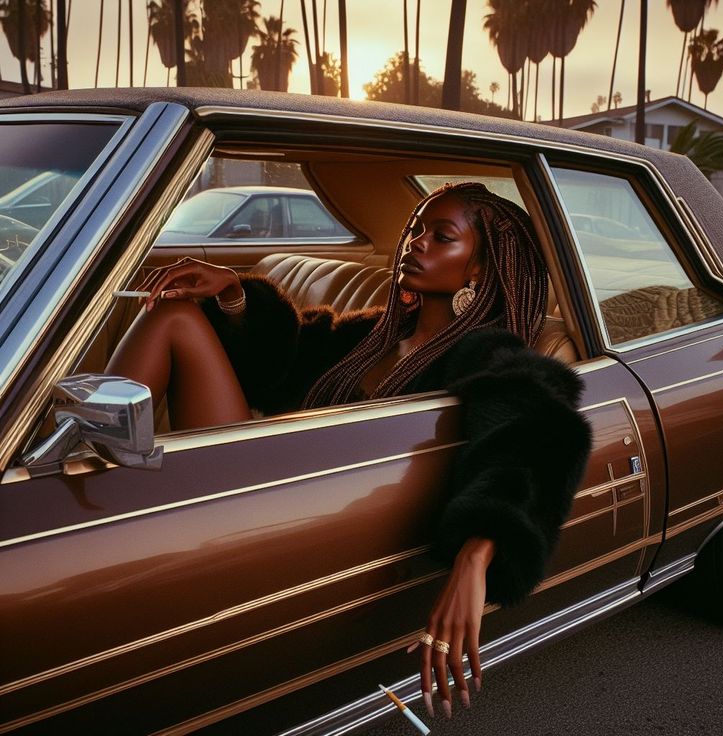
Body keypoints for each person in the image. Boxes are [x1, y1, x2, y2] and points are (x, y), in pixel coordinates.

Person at [106, 182, 591, 719]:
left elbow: (537, 435)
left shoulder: (486, 353)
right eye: (415, 230)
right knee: (174, 317)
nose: (416, 243)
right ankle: (81, 469)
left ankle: (85, 488)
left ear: (477, 270)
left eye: (442, 237)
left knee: (172, 322)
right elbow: (279, 366)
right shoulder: (373, 336)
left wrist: (478, 553)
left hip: (307, 520)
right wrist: (233, 294)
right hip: (269, 476)